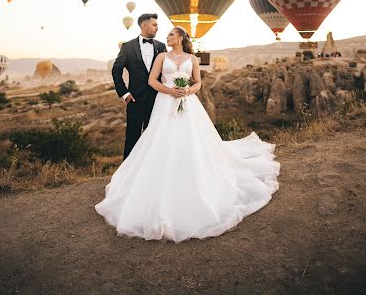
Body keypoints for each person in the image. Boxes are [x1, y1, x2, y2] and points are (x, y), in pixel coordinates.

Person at [95, 27, 280, 242]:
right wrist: (170, 91)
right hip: (165, 103)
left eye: (171, 35)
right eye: (167, 35)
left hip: (188, 104)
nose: (167, 37)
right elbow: (152, 81)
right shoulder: (162, 56)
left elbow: (198, 83)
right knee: (161, 141)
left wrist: (187, 92)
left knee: (192, 141)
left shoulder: (192, 58)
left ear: (181, 38)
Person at [112, 13, 167, 159]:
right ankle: (126, 177)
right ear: (144, 25)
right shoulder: (127, 46)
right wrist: (124, 93)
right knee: (132, 138)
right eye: (154, 25)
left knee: (154, 139)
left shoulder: (161, 46)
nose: (157, 28)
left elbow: (166, 71)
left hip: (157, 100)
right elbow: (116, 70)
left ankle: (150, 172)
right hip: (134, 99)